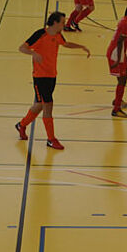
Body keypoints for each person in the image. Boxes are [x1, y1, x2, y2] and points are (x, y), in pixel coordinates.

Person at [15, 11, 90, 149]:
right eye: (62, 22)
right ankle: (51, 139)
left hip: (52, 75)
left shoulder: (58, 35)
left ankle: (21, 125)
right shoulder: (40, 34)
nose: (64, 24)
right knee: (48, 105)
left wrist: (81, 46)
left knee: (39, 105)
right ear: (55, 23)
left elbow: (65, 44)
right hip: (40, 76)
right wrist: (33, 53)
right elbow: (22, 48)